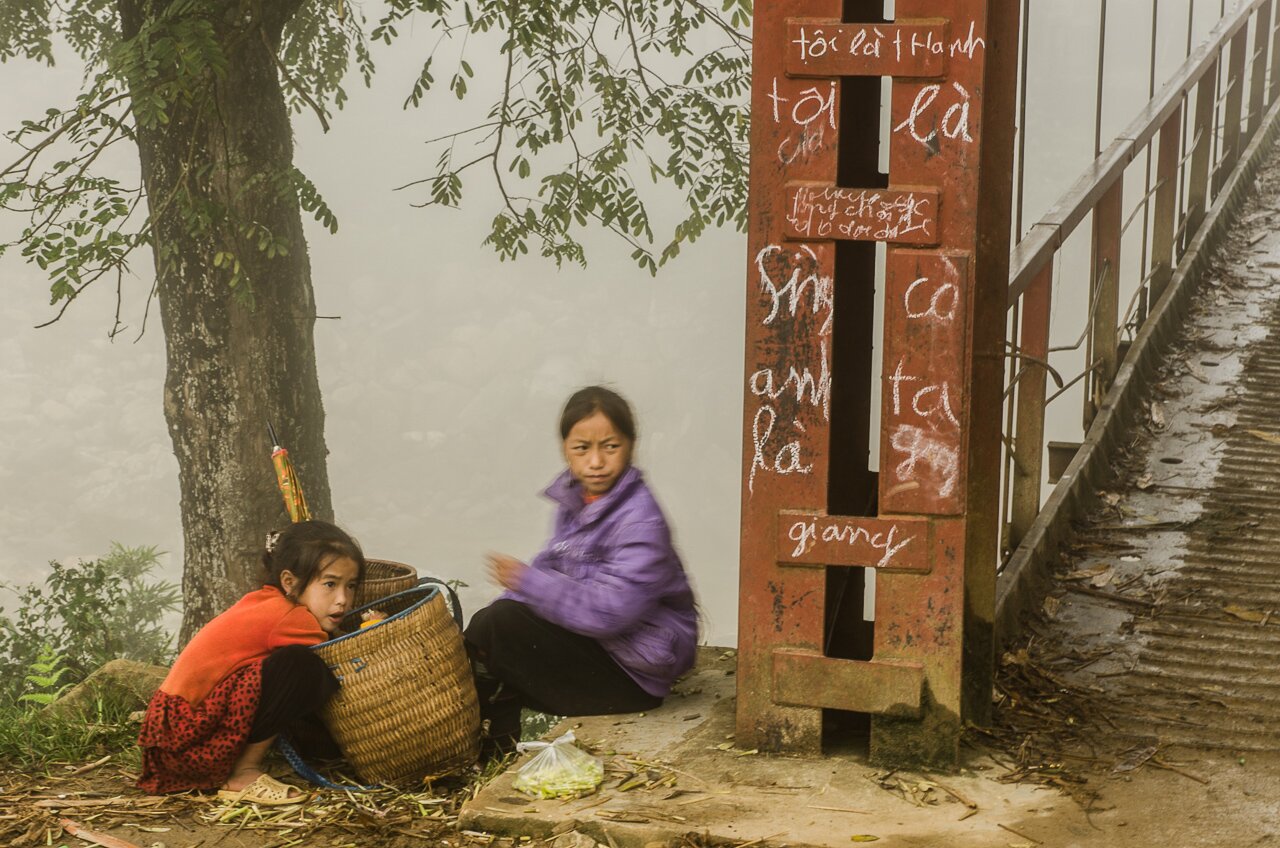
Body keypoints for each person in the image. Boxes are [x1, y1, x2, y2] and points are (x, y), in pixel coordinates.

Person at [465, 386, 698, 756]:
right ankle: (490, 749)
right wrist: (513, 597)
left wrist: (526, 582)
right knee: (490, 630)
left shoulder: (641, 520)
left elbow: (608, 612)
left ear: (631, 446)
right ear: (565, 451)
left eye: (610, 446)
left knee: (499, 625)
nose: (596, 462)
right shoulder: (577, 500)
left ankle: (482, 743)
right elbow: (552, 567)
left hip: (632, 677)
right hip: (603, 651)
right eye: (582, 448)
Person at [137, 520, 365, 804]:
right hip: (189, 741)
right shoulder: (291, 617)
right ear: (290, 583)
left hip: (170, 741)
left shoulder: (264, 601)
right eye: (330, 584)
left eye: (351, 586)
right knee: (302, 666)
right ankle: (243, 773)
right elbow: (343, 655)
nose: (343, 600)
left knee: (297, 667)